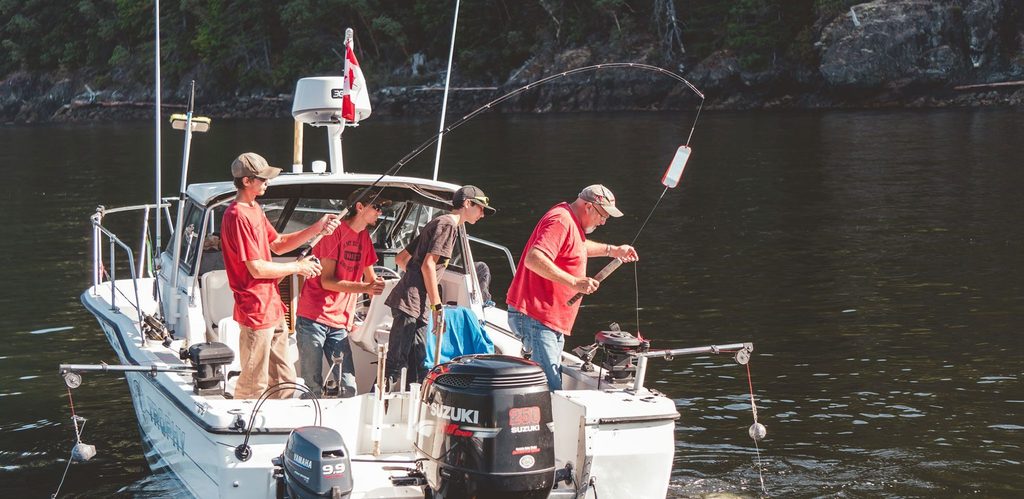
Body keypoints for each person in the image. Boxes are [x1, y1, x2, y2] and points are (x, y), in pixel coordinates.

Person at [220, 152, 341, 400]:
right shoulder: (237, 215)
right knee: (254, 381)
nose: (267, 182)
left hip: (272, 306)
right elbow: (257, 268)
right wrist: (298, 267)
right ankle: (245, 430)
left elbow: (278, 244)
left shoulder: (254, 209)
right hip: (254, 309)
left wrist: (318, 227)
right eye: (263, 179)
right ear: (246, 181)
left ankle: (281, 425)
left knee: (284, 379)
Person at [506, 184, 639, 390]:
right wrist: (575, 282)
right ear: (588, 206)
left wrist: (613, 251)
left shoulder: (572, 223)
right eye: (603, 215)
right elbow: (534, 258)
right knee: (548, 386)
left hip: (548, 320)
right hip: (537, 317)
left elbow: (578, 245)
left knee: (551, 380)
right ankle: (547, 422)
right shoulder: (561, 220)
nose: (604, 222)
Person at [384, 185, 494, 387]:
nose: (483, 215)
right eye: (480, 208)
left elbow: (401, 259)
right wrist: (437, 306)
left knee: (418, 365)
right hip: (413, 303)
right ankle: (376, 405)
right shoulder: (449, 226)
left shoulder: (438, 222)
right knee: (395, 363)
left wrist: (418, 282)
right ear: (467, 203)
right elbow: (428, 265)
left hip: (415, 304)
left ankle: (413, 408)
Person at [295, 188, 389, 397]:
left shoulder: (364, 237)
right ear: (360, 207)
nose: (380, 212)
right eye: (377, 207)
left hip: (340, 323)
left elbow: (371, 281)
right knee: (313, 387)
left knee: (349, 387)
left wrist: (385, 294)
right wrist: (365, 288)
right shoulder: (334, 233)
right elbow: (327, 282)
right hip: (313, 318)